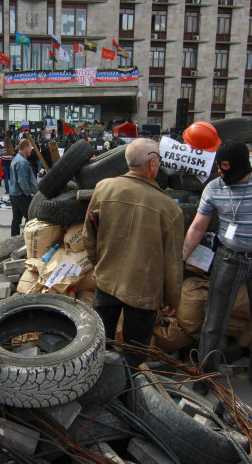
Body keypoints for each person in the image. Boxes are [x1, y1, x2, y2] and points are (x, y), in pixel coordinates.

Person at [183, 139, 252, 401]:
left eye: (226, 169)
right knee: (214, 322)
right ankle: (206, 374)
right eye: (219, 169)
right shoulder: (214, 188)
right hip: (228, 259)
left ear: (242, 165)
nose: (222, 174)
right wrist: (182, 257)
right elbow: (198, 227)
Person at [82, 138, 184, 367]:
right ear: (152, 163)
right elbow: (173, 262)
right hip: (144, 291)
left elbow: (89, 235)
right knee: (135, 353)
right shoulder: (169, 207)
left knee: (99, 345)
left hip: (106, 281)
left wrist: (99, 265)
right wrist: (172, 298)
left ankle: (98, 383)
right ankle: (129, 390)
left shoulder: (103, 188)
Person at [8, 139, 38, 236]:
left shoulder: (16, 158)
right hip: (21, 194)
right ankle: (24, 238)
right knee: (30, 217)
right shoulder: (22, 162)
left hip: (13, 193)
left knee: (16, 219)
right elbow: (22, 181)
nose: (31, 150)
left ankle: (14, 239)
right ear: (25, 147)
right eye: (30, 148)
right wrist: (28, 193)